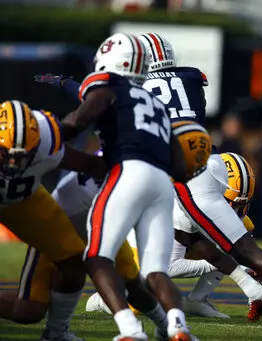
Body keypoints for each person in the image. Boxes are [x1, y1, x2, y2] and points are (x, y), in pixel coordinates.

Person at [140, 33, 262, 340]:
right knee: (246, 248)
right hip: (209, 160)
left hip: (178, 175)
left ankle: (149, 322)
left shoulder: (134, 89)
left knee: (145, 264)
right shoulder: (192, 77)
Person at [58, 33, 196, 341]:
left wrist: (46, 132)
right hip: (162, 184)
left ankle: (131, 330)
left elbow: (76, 122)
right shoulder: (156, 105)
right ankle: (177, 326)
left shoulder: (108, 87)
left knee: (96, 256)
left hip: (127, 172)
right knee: (155, 272)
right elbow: (181, 170)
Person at [86, 152, 262, 319]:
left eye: (241, 205)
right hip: (139, 249)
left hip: (181, 246)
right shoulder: (179, 207)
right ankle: (102, 298)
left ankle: (197, 300)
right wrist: (222, 265)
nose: (234, 211)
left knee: (240, 233)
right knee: (139, 305)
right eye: (229, 203)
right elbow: (168, 267)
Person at [0, 100, 105, 341]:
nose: (14, 163)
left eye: (23, 155)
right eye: (6, 155)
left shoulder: (47, 138)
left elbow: (89, 163)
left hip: (23, 202)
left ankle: (57, 333)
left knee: (34, 307)